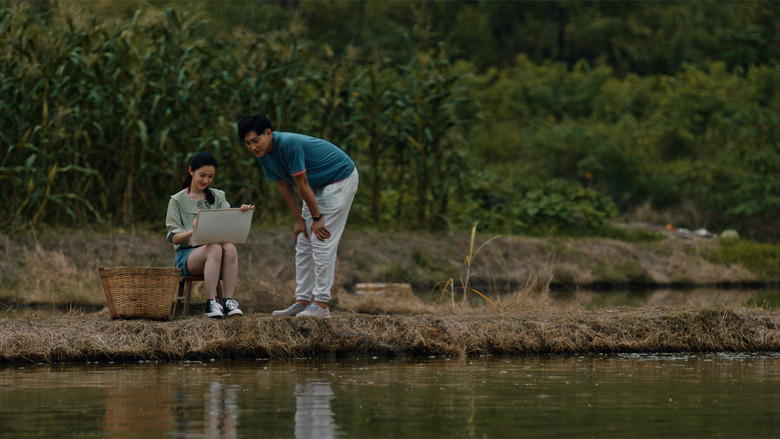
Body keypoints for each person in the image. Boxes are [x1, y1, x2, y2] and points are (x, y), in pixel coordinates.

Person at [237, 114, 358, 318]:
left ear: (268, 133)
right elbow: (283, 184)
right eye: (247, 143)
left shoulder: (289, 144)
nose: (253, 147)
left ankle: (321, 304)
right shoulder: (263, 154)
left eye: (256, 141)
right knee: (303, 240)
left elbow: (301, 184)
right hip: (315, 185)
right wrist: (300, 220)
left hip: (338, 178)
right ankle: (302, 301)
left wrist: (317, 218)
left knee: (321, 240)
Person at [165, 152, 254, 318]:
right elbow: (173, 237)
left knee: (229, 247)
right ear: (191, 171)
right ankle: (211, 302)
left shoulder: (218, 196)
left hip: (217, 253)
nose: (205, 181)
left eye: (210, 177)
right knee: (214, 248)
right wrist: (193, 231)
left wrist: (241, 212)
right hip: (188, 256)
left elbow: (228, 223)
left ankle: (228, 300)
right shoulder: (177, 200)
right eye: (202, 175)